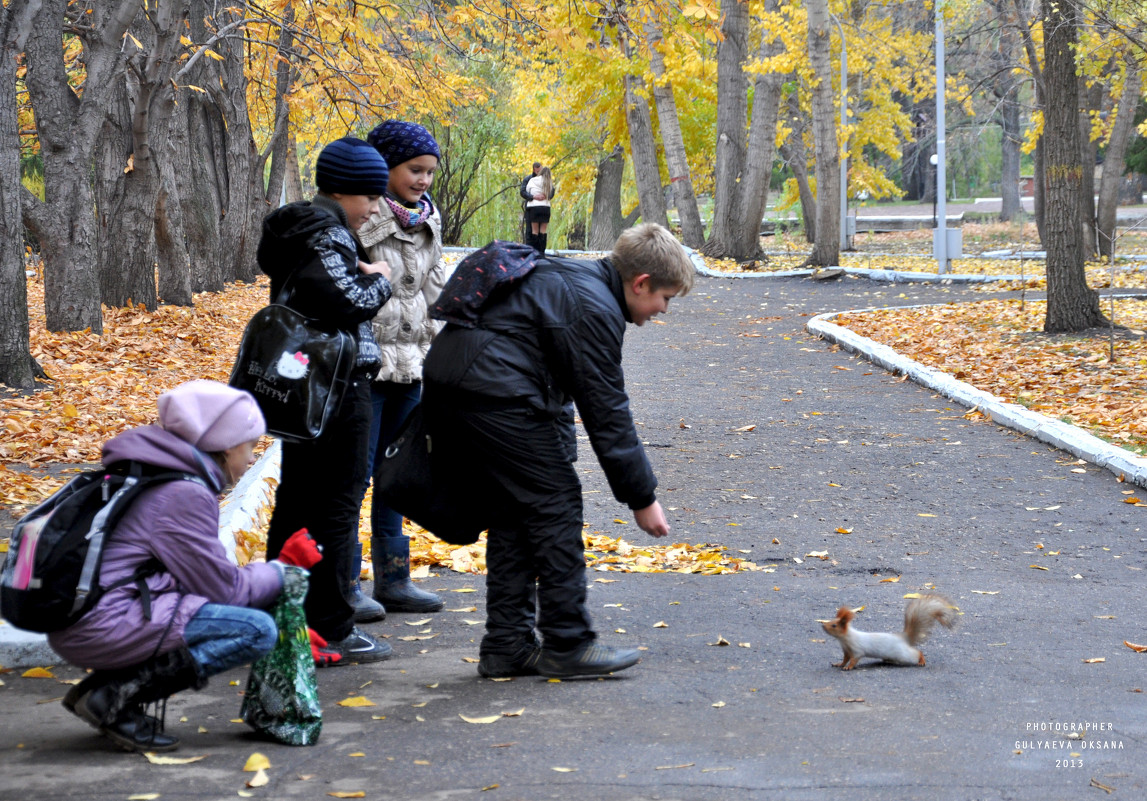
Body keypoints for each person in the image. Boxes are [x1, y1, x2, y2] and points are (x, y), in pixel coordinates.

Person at [421, 223, 694, 679]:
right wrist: (642, 497)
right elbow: (606, 408)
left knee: (516, 512)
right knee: (555, 506)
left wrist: (564, 453)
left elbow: (558, 384)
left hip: (464, 385)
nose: (661, 310)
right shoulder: (593, 307)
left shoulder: (574, 283)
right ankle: (569, 643)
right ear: (641, 283)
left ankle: (507, 645)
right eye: (664, 298)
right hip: (492, 394)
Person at [52, 380, 323, 753]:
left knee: (216, 616)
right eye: (251, 446)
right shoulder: (183, 493)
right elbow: (224, 589)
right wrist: (280, 572)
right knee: (256, 631)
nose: (250, 457)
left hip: (86, 614)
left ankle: (101, 689)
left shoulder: (154, 471)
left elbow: (197, 577)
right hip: (102, 623)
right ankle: (114, 696)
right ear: (227, 446)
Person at [258, 136, 394, 664]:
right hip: (337, 387)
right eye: (370, 197)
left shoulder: (299, 230)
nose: (376, 208)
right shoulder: (325, 233)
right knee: (336, 508)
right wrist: (379, 278)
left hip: (305, 387)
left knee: (297, 502)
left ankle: (282, 615)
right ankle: (332, 626)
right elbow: (346, 301)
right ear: (342, 191)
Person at [347, 119, 448, 621]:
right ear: (384, 166)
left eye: (430, 171)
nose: (424, 180)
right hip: (368, 367)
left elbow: (435, 291)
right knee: (355, 475)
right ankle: (345, 582)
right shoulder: (362, 220)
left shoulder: (428, 220)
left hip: (412, 368)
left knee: (396, 474)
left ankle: (394, 579)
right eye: (414, 169)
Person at [518, 161, 554, 247]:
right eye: (537, 171)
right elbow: (523, 192)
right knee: (533, 231)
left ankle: (535, 252)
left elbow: (551, 192)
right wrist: (533, 196)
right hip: (542, 207)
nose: (539, 172)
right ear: (534, 170)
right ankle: (537, 251)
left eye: (540, 170)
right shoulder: (529, 179)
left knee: (534, 231)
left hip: (534, 207)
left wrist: (545, 196)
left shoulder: (532, 181)